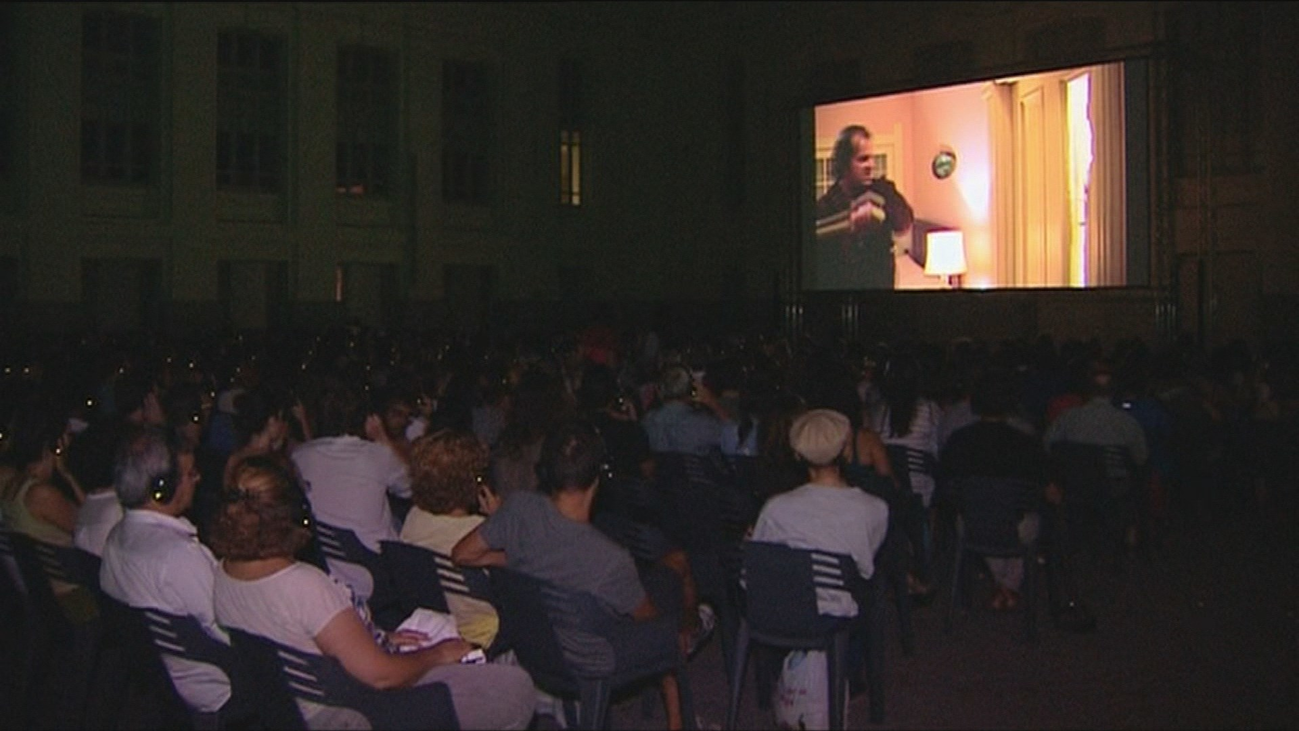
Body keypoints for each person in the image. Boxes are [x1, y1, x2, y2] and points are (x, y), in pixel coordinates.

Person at [210, 455, 535, 730]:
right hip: (358, 709)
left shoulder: (224, 574)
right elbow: (382, 677)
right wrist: (438, 655)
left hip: (305, 703)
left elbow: (303, 637)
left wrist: (377, 638)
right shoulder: (302, 585)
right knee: (515, 689)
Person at [452, 419, 692, 730]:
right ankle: (681, 717)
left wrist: (516, 561)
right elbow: (647, 620)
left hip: (537, 648)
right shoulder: (610, 559)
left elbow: (463, 554)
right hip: (591, 655)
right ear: (597, 480)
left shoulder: (518, 509)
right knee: (672, 603)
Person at [751, 408, 891, 689]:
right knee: (869, 589)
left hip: (781, 610)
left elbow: (759, 562)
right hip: (835, 614)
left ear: (798, 455)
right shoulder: (874, 508)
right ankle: (851, 676)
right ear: (846, 451)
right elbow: (864, 565)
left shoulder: (776, 507)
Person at [99, 427, 232, 715]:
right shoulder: (178, 556)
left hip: (166, 678)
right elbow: (228, 630)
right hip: (217, 688)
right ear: (162, 488)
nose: (198, 479)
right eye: (190, 473)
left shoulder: (114, 540)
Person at [290, 378, 411, 602]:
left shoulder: (300, 456)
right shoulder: (377, 456)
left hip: (330, 565)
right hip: (380, 569)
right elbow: (411, 487)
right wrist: (384, 438)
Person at [398, 428, 502, 649]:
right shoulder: (481, 532)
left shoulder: (413, 518)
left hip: (435, 628)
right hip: (485, 634)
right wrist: (501, 520)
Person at [814, 125, 914, 290]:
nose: (871, 165)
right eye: (863, 159)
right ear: (844, 164)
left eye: (871, 158)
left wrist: (884, 205)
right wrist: (849, 227)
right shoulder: (825, 206)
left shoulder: (884, 190)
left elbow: (904, 224)